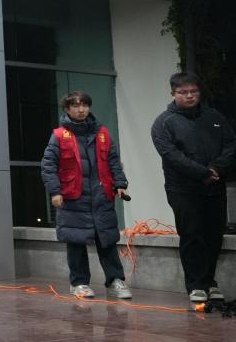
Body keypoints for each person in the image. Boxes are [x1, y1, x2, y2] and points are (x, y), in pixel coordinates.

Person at [151, 72, 236, 303]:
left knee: (214, 235)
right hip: (183, 189)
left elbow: (231, 144)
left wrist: (216, 169)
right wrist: (202, 173)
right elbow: (171, 155)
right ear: (173, 94)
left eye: (193, 91)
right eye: (183, 92)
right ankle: (196, 285)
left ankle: (210, 282)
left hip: (215, 187)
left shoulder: (214, 116)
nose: (189, 96)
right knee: (192, 235)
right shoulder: (164, 122)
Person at [41, 91, 132, 300]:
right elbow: (48, 166)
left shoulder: (102, 132)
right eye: (75, 106)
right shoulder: (59, 135)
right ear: (67, 109)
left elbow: (114, 161)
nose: (81, 110)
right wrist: (55, 191)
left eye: (84, 105)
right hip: (73, 197)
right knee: (75, 242)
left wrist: (120, 183)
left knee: (107, 240)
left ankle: (116, 280)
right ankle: (79, 283)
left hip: (101, 196)